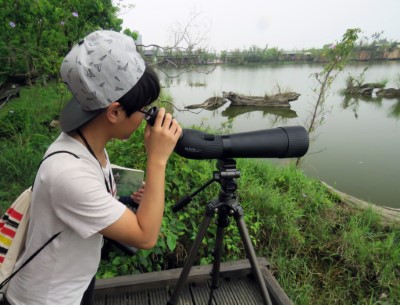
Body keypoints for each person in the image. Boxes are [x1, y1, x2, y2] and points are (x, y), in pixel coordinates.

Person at [5, 30, 181, 305]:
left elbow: (93, 187)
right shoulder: (67, 173)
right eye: (145, 110)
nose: (147, 118)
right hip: (46, 298)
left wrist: (130, 199)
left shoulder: (87, 142)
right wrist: (157, 159)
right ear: (113, 112)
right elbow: (145, 237)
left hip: (76, 282)